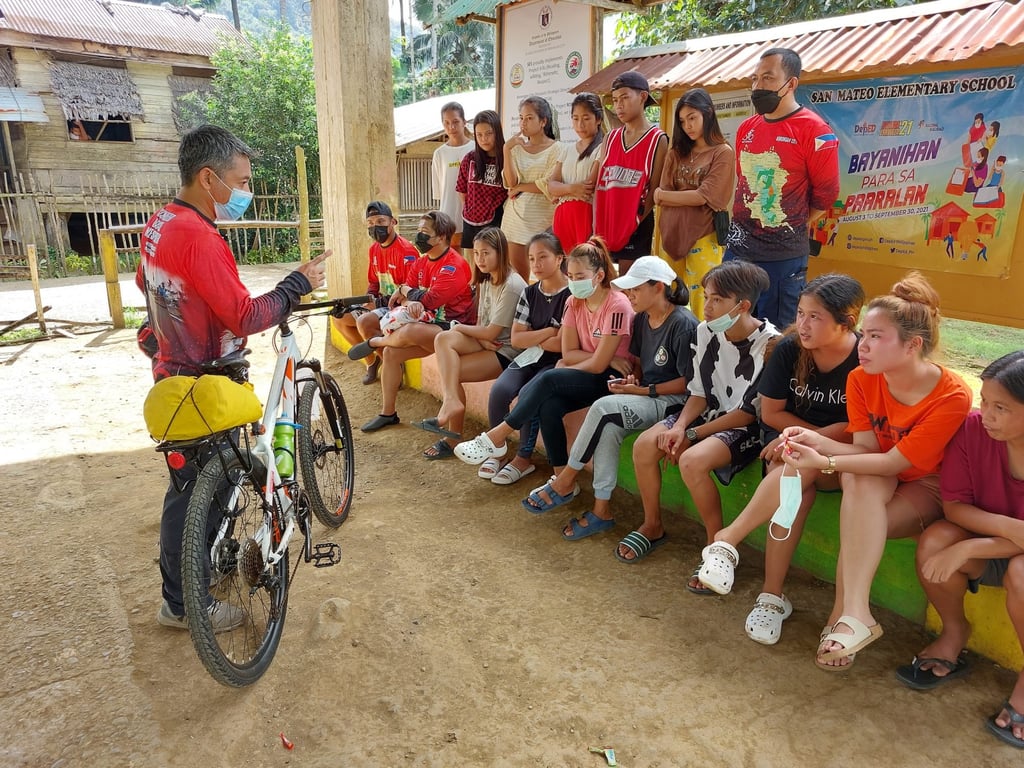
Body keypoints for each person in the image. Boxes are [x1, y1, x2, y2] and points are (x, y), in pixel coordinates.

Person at [135, 125, 329, 631]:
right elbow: (244, 316)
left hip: (173, 374)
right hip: (206, 382)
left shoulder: (161, 223)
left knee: (201, 483)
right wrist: (296, 284)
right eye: (240, 181)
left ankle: (202, 568)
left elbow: (148, 283)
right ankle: (182, 604)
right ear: (207, 178)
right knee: (196, 490)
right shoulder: (198, 235)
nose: (245, 191)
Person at [779, 271, 972, 670]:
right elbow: (867, 449)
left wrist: (826, 460)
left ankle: (844, 616)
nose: (862, 346)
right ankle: (855, 615)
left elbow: (894, 461)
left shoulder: (952, 394)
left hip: (925, 483)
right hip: (879, 475)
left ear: (912, 345)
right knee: (858, 482)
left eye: (875, 337)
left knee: (859, 511)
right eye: (863, 334)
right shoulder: (861, 379)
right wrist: (811, 439)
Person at [695, 274, 865, 645]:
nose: (802, 324)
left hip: (839, 453)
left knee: (796, 464)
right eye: (800, 313)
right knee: (793, 488)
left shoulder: (863, 358)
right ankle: (771, 597)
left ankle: (728, 541)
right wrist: (801, 439)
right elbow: (771, 414)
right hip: (790, 447)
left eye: (815, 317)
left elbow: (858, 428)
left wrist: (813, 441)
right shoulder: (790, 348)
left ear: (847, 322)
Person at [894, 352, 1024, 747]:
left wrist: (974, 547)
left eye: (1001, 407)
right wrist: (1005, 530)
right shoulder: (973, 430)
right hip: (999, 539)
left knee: (1021, 571)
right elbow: (955, 507)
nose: (988, 414)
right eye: (985, 401)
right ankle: (954, 634)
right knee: (937, 541)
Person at [620, 261, 778, 571]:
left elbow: (747, 415)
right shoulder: (705, 332)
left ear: (743, 305)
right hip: (705, 414)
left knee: (691, 461)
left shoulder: (770, 344)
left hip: (743, 427)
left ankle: (715, 548)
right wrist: (679, 427)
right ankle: (652, 525)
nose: (706, 307)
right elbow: (698, 392)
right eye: (705, 297)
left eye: (717, 299)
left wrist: (690, 436)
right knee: (644, 446)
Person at [526, 256, 697, 540]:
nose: (629, 295)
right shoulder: (642, 318)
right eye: (628, 289)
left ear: (658, 288)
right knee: (610, 429)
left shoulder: (683, 323)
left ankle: (566, 478)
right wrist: (634, 381)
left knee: (603, 407)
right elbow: (642, 364)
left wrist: (644, 391)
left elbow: (688, 383)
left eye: (636, 289)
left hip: (675, 403)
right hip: (648, 396)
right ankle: (601, 510)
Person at [453, 238, 634, 478]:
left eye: (580, 277)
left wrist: (588, 361)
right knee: (549, 407)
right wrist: (596, 357)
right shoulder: (573, 301)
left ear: (599, 276)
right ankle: (561, 479)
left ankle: (496, 436)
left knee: (549, 378)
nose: (574, 282)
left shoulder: (617, 304)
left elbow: (596, 364)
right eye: (570, 276)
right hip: (587, 370)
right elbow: (569, 353)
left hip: (613, 379)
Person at [725, 47, 840, 329]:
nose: (757, 86)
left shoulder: (816, 131)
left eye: (767, 78)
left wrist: (790, 222)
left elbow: (826, 195)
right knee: (729, 328)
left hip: (783, 257)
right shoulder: (747, 128)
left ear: (791, 84)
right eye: (754, 79)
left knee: (774, 334)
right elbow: (744, 183)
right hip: (738, 250)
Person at [349, 210, 474, 433]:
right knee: (391, 354)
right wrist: (407, 297)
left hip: (454, 328)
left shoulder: (454, 265)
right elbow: (402, 296)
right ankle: (388, 413)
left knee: (409, 332)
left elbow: (431, 300)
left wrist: (407, 293)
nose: (419, 237)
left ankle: (376, 342)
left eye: (425, 232)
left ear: (443, 237)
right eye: (418, 231)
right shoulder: (421, 262)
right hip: (427, 324)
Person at [413, 227, 527, 460]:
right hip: (488, 342)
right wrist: (480, 339)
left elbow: (493, 331)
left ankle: (452, 435)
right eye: (476, 253)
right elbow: (484, 325)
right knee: (442, 338)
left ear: (501, 252)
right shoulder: (486, 280)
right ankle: (452, 402)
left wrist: (459, 327)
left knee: (451, 372)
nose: (480, 259)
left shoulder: (513, 285)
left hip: (507, 350)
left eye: (486, 253)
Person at [481, 232, 571, 486]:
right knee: (501, 389)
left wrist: (535, 336)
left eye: (543, 257)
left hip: (556, 362)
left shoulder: (571, 296)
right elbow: (518, 339)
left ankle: (522, 459)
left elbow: (561, 344)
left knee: (531, 393)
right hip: (529, 357)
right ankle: (496, 451)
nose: (536, 265)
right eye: (532, 259)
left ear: (559, 258)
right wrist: (548, 332)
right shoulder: (530, 293)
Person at [654, 88, 735, 321]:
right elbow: (662, 192)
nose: (687, 126)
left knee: (706, 300)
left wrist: (665, 196)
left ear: (708, 114)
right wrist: (668, 195)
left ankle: (706, 349)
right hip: (671, 234)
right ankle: (670, 345)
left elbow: (705, 196)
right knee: (666, 295)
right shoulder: (676, 153)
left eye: (692, 118)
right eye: (682, 121)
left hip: (704, 235)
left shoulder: (722, 152)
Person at [333, 201, 418, 385]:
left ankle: (393, 365)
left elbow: (409, 291)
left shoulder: (407, 251)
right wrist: (368, 300)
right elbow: (373, 281)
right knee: (339, 317)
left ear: (393, 222)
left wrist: (375, 304)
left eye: (380, 221)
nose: (375, 227)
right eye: (370, 223)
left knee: (365, 322)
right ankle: (372, 361)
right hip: (380, 305)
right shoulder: (373, 250)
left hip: (400, 307)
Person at [593, 71, 668, 275]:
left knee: (629, 291)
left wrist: (628, 225)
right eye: (615, 100)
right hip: (606, 224)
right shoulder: (610, 138)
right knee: (604, 287)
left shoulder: (657, 139)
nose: (618, 105)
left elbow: (654, 190)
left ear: (643, 97)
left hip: (636, 225)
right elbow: (601, 186)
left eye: (625, 97)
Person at [501, 96, 561, 280]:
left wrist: (521, 186)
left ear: (543, 121)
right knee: (517, 279)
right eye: (521, 118)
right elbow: (510, 183)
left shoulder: (557, 149)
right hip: (515, 221)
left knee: (545, 277)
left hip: (542, 221)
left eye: (529, 118)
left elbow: (548, 184)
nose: (523, 123)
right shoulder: (516, 149)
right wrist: (506, 149)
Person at [543, 93, 603, 252]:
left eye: (586, 118)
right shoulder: (568, 149)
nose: (580, 124)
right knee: (563, 268)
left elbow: (587, 187)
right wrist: (571, 189)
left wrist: (562, 189)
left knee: (583, 268)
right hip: (563, 215)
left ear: (598, 119)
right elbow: (551, 186)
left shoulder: (603, 147)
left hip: (585, 215)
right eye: (575, 118)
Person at [456, 110, 507, 261]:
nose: (484, 139)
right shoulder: (470, 159)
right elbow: (462, 190)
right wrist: (470, 210)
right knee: (473, 268)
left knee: (494, 265)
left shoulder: (507, 159)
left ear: (497, 132)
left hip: (496, 222)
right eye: (479, 135)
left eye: (489, 133)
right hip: (470, 222)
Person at [431, 102, 475, 250]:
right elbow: (439, 192)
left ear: (464, 121)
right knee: (453, 261)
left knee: (474, 262)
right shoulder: (439, 154)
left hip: (474, 216)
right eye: (447, 123)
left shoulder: (475, 148)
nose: (452, 127)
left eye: (456, 122)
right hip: (448, 217)